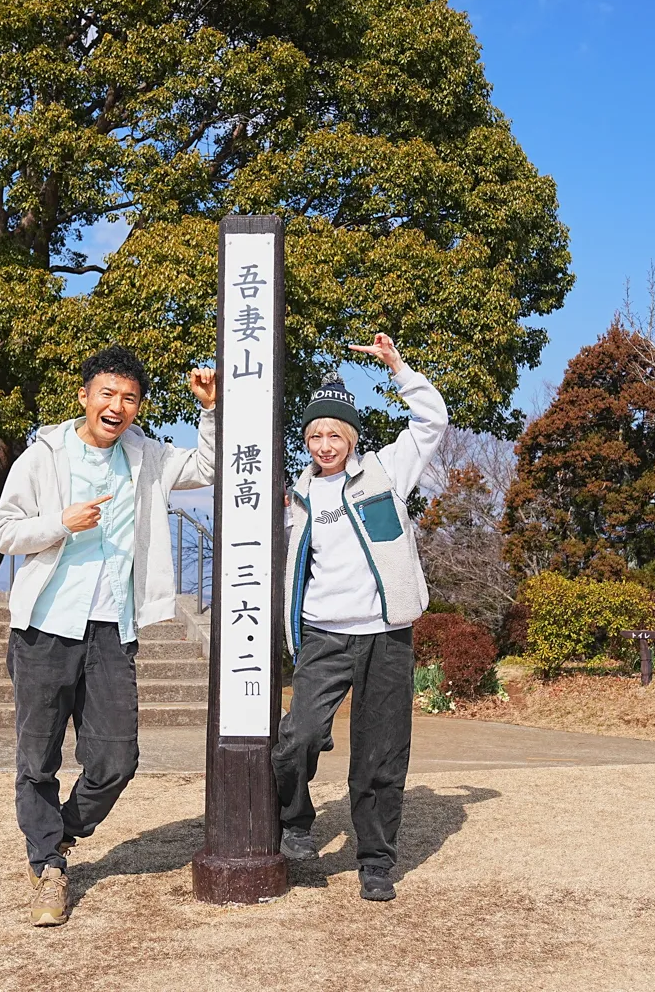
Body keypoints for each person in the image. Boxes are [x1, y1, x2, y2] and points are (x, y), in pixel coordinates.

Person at [0, 346, 217, 927]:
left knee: (117, 758)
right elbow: (3, 533)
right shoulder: (44, 455)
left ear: (138, 408)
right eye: (107, 394)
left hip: (113, 628)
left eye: (130, 398)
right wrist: (58, 524)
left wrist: (211, 412)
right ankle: (47, 867)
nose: (116, 407)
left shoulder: (146, 457)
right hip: (45, 626)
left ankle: (59, 834)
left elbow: (211, 470)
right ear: (84, 396)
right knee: (36, 758)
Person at [271, 332, 447, 902]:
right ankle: (295, 823)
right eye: (315, 435)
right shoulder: (295, 497)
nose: (325, 444)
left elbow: (431, 421)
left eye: (335, 434)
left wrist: (398, 366)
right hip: (322, 635)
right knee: (296, 738)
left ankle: (375, 859)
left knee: (381, 753)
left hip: (386, 636)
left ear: (350, 437)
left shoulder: (386, 473)